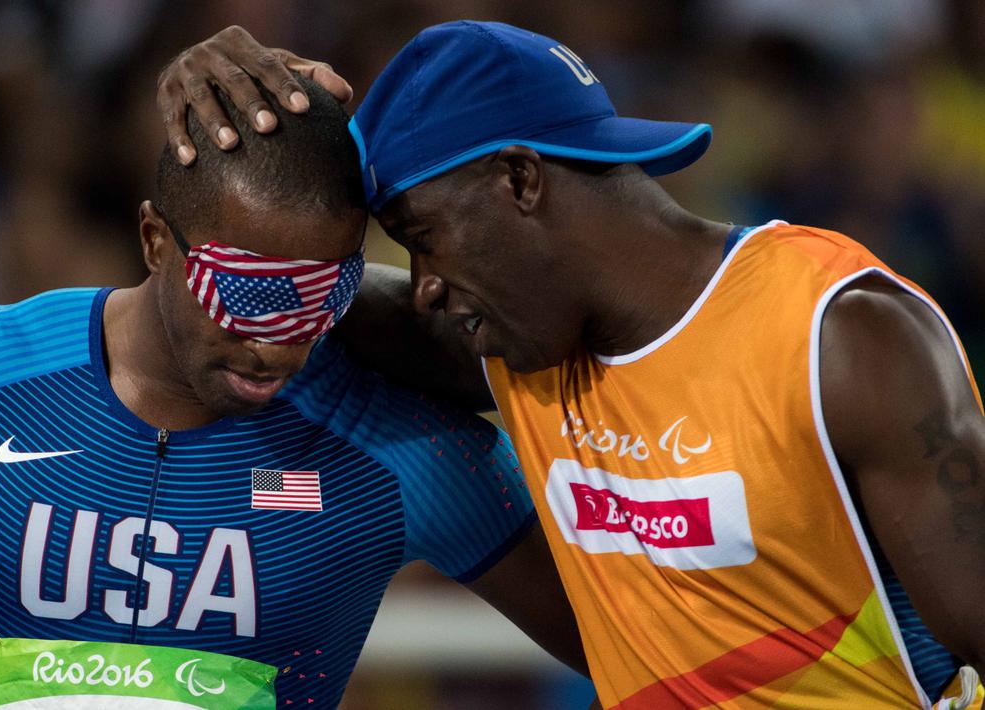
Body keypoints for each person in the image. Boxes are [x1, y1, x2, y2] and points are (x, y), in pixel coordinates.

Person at [157, 21, 985, 709]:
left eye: (422, 238)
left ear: (518, 178)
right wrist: (268, 117)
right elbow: (288, 297)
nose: (425, 289)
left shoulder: (839, 338)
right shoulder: (515, 345)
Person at [0, 75, 590, 710]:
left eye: (320, 296)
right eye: (248, 291)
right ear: (155, 239)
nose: (278, 343)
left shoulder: (403, 452)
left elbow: (654, 649)